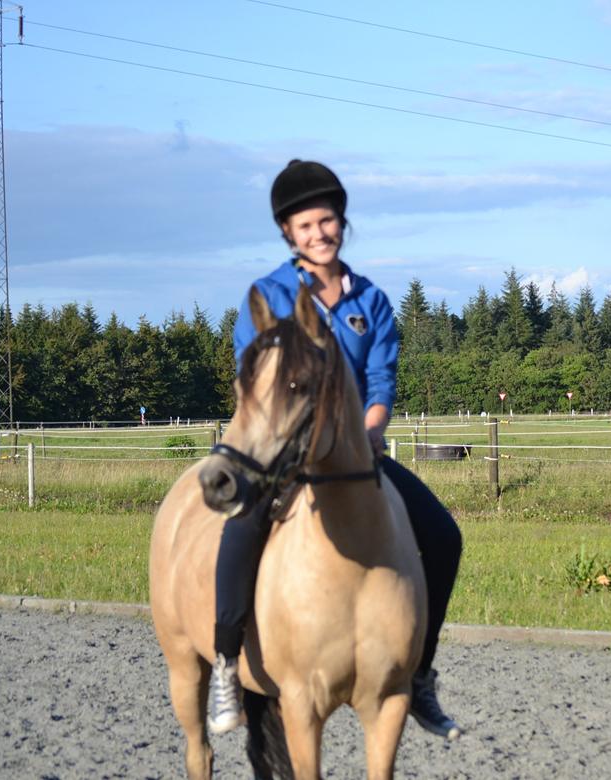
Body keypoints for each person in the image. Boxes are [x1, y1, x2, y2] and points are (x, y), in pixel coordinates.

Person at [207, 159, 464, 741]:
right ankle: (226, 663)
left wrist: (373, 427)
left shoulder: (369, 300)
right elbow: (254, 377)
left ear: (341, 222)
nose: (319, 233)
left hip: (353, 450)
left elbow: (381, 380)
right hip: (282, 450)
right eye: (305, 226)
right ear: (287, 235)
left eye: (327, 221)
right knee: (240, 528)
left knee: (445, 536)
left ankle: (419, 674)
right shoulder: (267, 296)